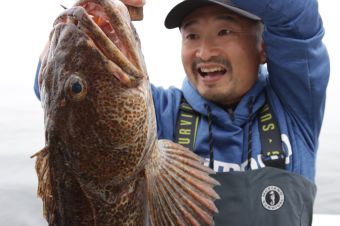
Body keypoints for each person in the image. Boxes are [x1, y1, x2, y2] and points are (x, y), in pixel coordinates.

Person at [34, 0, 330, 225]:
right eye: (191, 36)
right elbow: (58, 90)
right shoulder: (160, 114)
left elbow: (297, 18)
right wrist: (93, 5)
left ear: (263, 47)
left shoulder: (294, 103)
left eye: (224, 31)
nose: (204, 51)